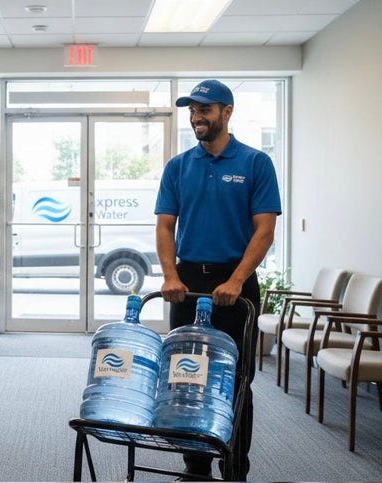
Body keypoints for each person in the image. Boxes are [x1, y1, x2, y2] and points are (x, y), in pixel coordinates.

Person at [154, 80, 281, 480]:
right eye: (192, 110)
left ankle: (234, 469)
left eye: (205, 109)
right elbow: (164, 226)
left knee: (236, 380)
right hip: (188, 282)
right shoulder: (178, 166)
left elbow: (264, 229)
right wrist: (171, 275)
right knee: (186, 377)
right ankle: (196, 467)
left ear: (227, 112)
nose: (196, 117)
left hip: (235, 284)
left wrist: (238, 279)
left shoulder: (255, 163)